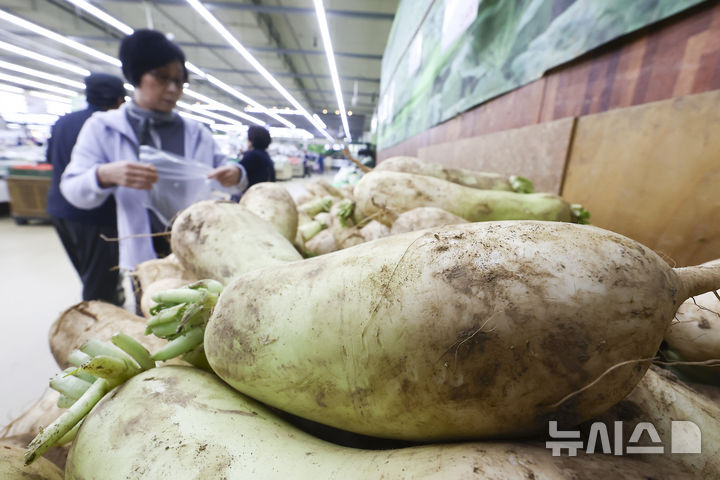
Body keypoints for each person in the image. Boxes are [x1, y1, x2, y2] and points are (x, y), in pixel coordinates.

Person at [60, 29, 246, 273]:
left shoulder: (197, 132)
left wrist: (235, 173)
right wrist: (103, 175)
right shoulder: (104, 128)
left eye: (179, 81)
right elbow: (72, 188)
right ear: (136, 76)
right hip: (142, 252)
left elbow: (228, 176)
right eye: (161, 77)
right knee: (150, 305)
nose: (172, 88)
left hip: (198, 246)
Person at [46, 73, 127, 305]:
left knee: (87, 272)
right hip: (97, 217)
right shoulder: (107, 127)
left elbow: (50, 158)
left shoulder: (63, 122)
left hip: (60, 210)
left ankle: (101, 307)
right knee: (101, 284)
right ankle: (97, 328)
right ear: (120, 100)